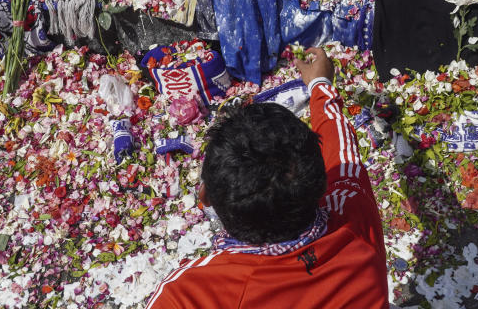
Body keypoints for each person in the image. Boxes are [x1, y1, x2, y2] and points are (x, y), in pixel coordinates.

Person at [147, 47, 389, 308]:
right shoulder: (355, 223)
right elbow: (341, 149)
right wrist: (321, 85)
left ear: (204, 198)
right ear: (321, 182)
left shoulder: (188, 294)